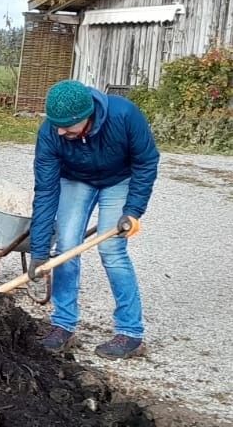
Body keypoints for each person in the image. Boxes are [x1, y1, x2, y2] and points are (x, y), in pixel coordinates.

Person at [29, 79, 159, 359]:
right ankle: (63, 325)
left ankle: (130, 332)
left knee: (112, 250)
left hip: (119, 180)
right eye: (56, 125)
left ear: (88, 116)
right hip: (75, 180)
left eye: (67, 126)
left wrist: (133, 210)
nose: (60, 131)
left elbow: (146, 161)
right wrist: (39, 252)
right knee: (65, 248)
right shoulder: (51, 133)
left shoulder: (124, 115)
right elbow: (46, 191)